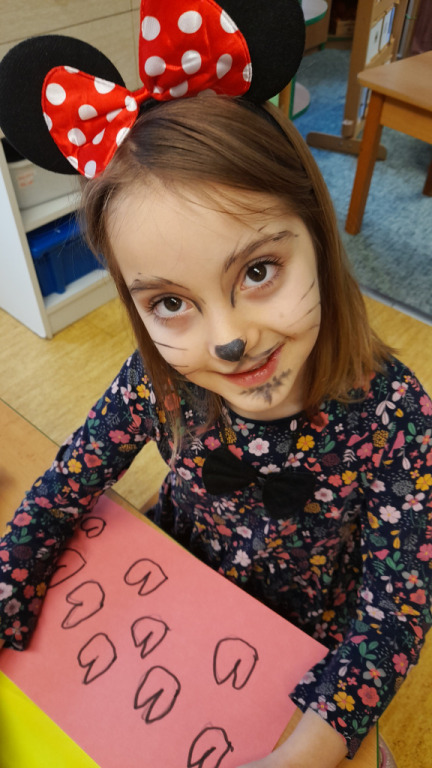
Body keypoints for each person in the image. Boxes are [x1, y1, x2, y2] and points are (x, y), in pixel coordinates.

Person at [0, 3, 431, 767]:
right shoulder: (158, 378)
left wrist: (311, 747)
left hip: (306, 654)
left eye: (258, 271)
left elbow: (392, 612)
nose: (228, 340)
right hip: (170, 607)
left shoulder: (397, 415)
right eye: (171, 303)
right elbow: (64, 485)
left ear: (316, 234)